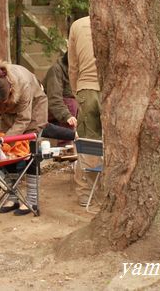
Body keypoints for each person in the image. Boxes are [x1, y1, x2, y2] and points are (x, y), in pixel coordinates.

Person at [0, 60, 48, 215]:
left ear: (10, 90)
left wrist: (5, 140)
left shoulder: (23, 84)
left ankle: (32, 200)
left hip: (33, 112)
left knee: (30, 153)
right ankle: (12, 196)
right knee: (6, 153)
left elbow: (24, 119)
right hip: (7, 115)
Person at [68, 15, 102, 207]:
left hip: (85, 89)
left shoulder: (77, 25)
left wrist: (77, 91)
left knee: (88, 142)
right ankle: (106, 191)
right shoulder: (114, 18)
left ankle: (85, 192)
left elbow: (73, 66)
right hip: (112, 89)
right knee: (110, 142)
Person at [43, 52, 78, 131]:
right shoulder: (56, 70)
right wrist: (67, 116)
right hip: (48, 109)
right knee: (71, 103)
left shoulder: (81, 73)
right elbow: (54, 98)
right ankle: (66, 141)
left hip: (63, 110)